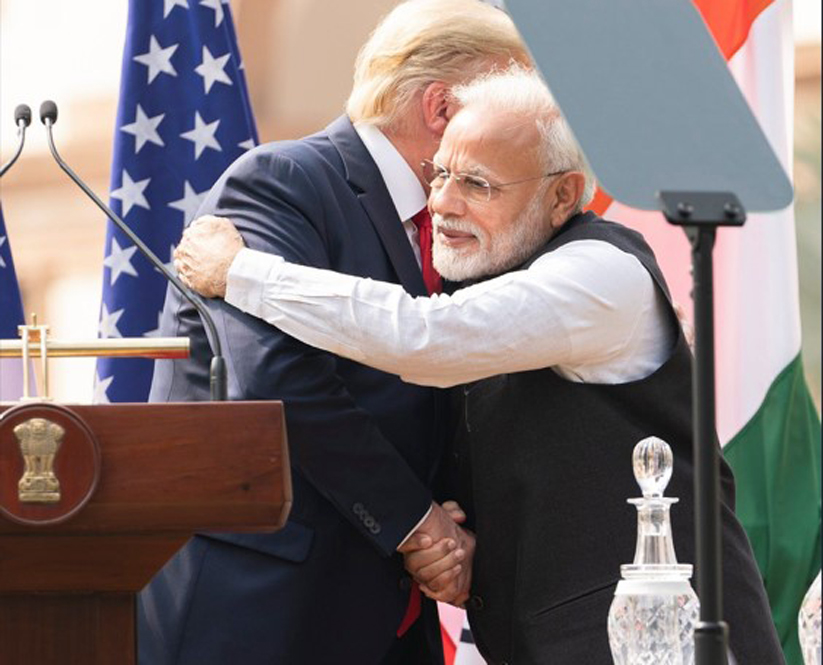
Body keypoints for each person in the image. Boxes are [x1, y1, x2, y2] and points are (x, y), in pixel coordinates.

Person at [175, 67, 785, 664]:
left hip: (664, 642)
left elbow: (425, 340)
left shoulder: (602, 274)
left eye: (477, 184)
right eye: (438, 174)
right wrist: (440, 535)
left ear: (563, 195)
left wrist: (244, 273)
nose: (441, 203)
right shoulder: (501, 281)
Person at [140, 2, 527, 664]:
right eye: (507, 112)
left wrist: (454, 538)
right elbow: (274, 377)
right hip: (262, 610)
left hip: (385, 611)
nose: (520, 135)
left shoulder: (453, 225)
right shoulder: (282, 184)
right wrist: (418, 526)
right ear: (440, 109)